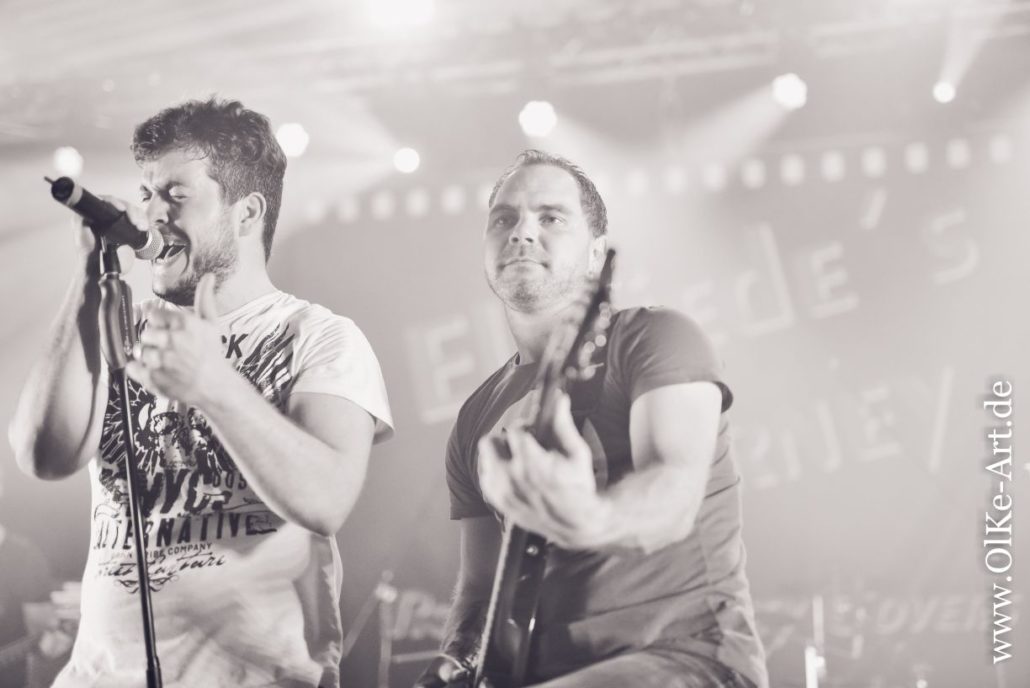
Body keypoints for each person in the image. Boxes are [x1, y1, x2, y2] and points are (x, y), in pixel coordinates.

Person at [8, 97, 393, 688]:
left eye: (176, 195)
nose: (151, 213)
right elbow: (42, 455)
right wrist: (88, 279)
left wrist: (213, 386)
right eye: (147, 193)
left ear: (247, 213)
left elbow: (326, 500)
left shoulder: (319, 337)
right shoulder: (119, 326)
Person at [416, 150, 768, 688]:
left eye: (551, 217)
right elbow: (480, 586)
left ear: (596, 253)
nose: (522, 232)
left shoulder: (656, 338)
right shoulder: (477, 416)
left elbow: (673, 491)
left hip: (689, 659)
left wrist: (588, 517)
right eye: (504, 219)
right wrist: (456, 660)